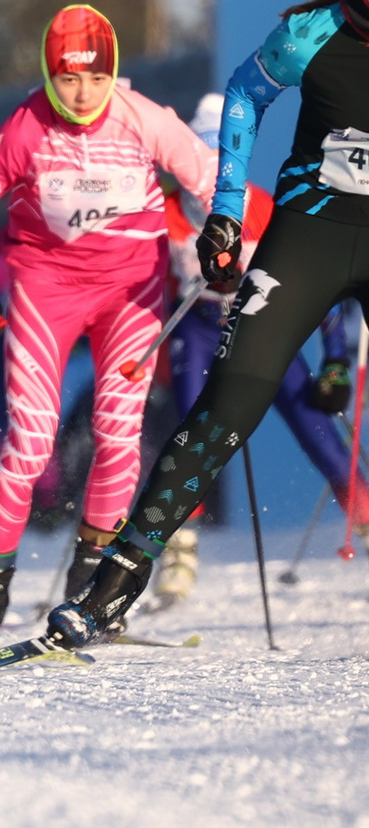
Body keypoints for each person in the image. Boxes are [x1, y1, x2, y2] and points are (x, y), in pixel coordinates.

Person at [55, 0, 369, 645]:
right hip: (311, 235)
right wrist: (226, 209)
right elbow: (244, 94)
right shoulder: (310, 33)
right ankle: (112, 586)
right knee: (224, 407)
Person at [0, 5, 214, 651]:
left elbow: (213, 179)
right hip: (46, 290)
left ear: (113, 73)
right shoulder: (25, 127)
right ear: (47, 75)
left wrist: (227, 239)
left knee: (119, 433)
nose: (81, 94)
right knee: (31, 443)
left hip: (130, 295)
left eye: (94, 79)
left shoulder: (143, 119)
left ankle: (92, 591)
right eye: (66, 80)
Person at [143, 96, 365, 609]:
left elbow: (320, 289)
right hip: (195, 328)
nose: (209, 171)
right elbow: (149, 290)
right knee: (191, 430)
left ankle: (363, 514)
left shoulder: (263, 207)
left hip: (258, 325)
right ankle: (179, 545)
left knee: (316, 426)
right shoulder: (167, 212)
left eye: (222, 157)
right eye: (197, 156)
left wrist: (334, 363)